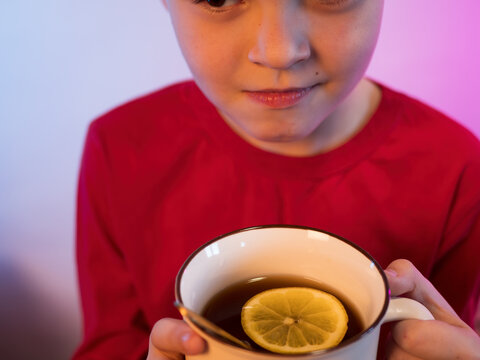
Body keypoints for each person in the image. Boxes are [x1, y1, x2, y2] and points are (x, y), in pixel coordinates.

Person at [73, 0, 480, 359]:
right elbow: (111, 342)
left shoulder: (456, 168)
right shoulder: (121, 148)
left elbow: (440, 333)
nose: (280, 52)